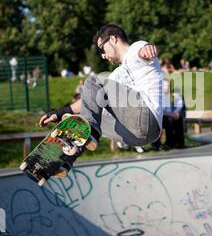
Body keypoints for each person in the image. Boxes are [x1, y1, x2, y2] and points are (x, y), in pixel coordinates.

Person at [39, 24, 162, 175]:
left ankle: (90, 130)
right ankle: (62, 160)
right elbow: (89, 100)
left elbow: (143, 51)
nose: (103, 56)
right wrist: (60, 112)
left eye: (102, 49)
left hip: (146, 116)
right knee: (77, 117)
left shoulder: (135, 49)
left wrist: (148, 49)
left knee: (93, 81)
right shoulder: (116, 76)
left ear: (113, 39)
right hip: (137, 136)